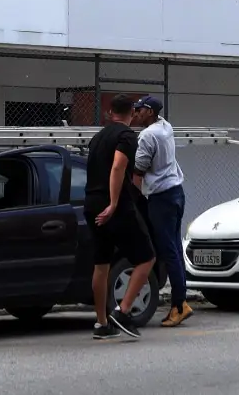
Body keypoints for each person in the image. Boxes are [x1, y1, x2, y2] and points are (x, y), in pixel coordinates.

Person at [85, 95, 155, 340]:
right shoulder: (126, 136)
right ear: (132, 114)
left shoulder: (97, 138)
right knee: (147, 258)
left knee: (101, 264)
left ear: (109, 112)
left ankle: (102, 323)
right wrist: (114, 203)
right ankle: (123, 312)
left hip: (91, 204)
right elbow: (117, 167)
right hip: (114, 206)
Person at [132, 95, 192, 327]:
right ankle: (182, 300)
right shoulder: (165, 126)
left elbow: (138, 171)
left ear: (149, 112)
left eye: (139, 110)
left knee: (168, 252)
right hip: (176, 192)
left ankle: (179, 306)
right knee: (175, 249)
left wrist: (133, 197)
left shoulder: (148, 135)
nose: (136, 114)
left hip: (161, 197)